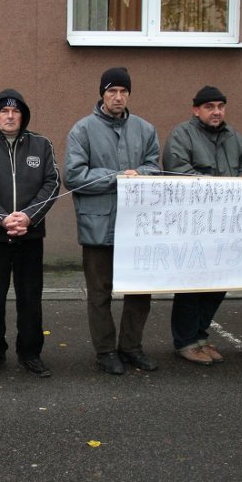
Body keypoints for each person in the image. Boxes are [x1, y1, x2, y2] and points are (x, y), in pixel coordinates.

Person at [64, 67, 160, 375]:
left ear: (129, 94)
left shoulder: (145, 130)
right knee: (100, 294)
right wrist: (116, 177)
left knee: (140, 292)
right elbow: (74, 177)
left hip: (137, 227)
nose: (117, 97)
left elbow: (154, 168)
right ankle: (105, 351)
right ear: (102, 94)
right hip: (98, 227)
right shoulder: (83, 130)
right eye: (111, 91)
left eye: (123, 91)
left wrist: (140, 174)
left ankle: (131, 347)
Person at [0, 89, 60, 378]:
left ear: (23, 115)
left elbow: (52, 184)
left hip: (30, 237)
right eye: (4, 111)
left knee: (30, 298)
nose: (9, 116)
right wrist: (2, 219)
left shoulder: (41, 145)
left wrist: (29, 216)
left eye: (15, 111)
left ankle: (30, 353)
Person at [162, 86, 242, 365]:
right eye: (210, 106)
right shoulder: (181, 135)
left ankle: (201, 336)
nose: (216, 111)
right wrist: (225, 187)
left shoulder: (234, 137)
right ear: (196, 109)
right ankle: (185, 341)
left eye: (221, 106)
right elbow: (179, 172)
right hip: (194, 226)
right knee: (191, 285)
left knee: (217, 284)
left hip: (225, 227)